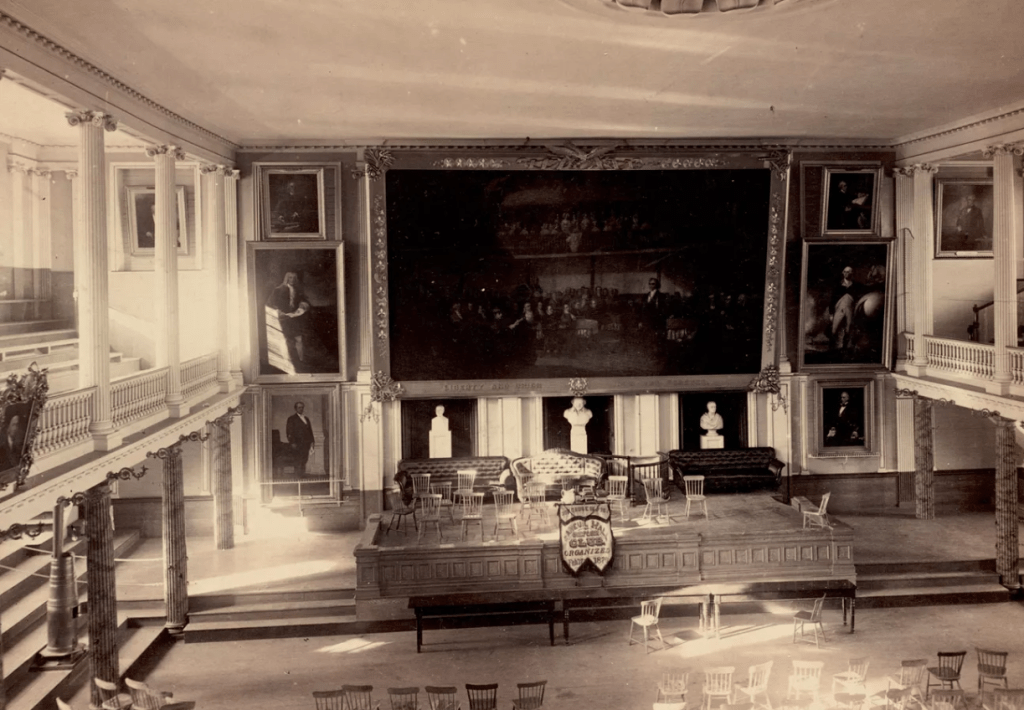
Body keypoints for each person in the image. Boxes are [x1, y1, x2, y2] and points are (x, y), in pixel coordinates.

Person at [266, 271, 311, 366]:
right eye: (290, 277)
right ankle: (285, 360)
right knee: (284, 339)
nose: (292, 280)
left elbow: (304, 301)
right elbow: (270, 303)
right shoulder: (278, 290)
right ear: (286, 278)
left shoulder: (298, 290)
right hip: (283, 318)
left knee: (299, 339)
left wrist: (301, 307)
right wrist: (279, 312)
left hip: (295, 318)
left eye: (294, 278)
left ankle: (301, 360)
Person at [830, 266, 864, 352]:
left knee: (849, 329)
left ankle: (846, 349)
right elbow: (832, 300)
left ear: (852, 273)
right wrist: (831, 314)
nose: (846, 273)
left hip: (850, 309)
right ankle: (833, 349)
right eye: (845, 271)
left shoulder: (856, 286)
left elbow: (858, 299)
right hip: (839, 309)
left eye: (848, 272)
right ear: (843, 273)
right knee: (835, 329)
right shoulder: (838, 285)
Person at [286, 401, 315, 476]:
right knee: (298, 461)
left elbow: (310, 431)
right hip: (297, 444)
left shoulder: (306, 418)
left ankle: (302, 477)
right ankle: (298, 477)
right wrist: (292, 443)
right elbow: (289, 432)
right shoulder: (291, 419)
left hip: (306, 444)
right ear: (295, 408)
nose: (301, 409)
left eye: (302, 407)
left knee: (304, 460)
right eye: (299, 407)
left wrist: (312, 442)